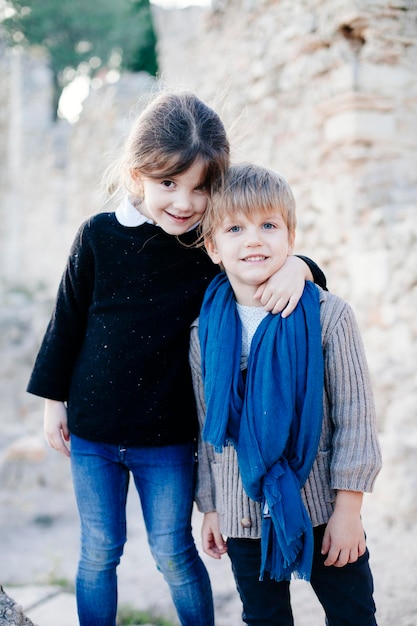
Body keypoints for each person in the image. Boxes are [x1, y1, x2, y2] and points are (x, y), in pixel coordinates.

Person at [26, 92, 327, 626]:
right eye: (169, 184)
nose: (185, 203)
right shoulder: (98, 235)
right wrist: (54, 402)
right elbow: (66, 319)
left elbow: (261, 263)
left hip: (168, 437)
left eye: (201, 188)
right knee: (99, 552)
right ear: (137, 172)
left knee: (172, 552)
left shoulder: (208, 246)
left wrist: (298, 267)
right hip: (94, 431)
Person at [191, 162, 382, 626]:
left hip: (320, 505)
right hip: (242, 511)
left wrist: (348, 511)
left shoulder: (328, 316)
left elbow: (355, 416)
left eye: (268, 225)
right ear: (213, 247)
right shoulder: (204, 332)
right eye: (235, 228)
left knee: (353, 613)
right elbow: (205, 430)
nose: (253, 239)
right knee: (264, 619)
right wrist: (211, 506)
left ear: (290, 238)